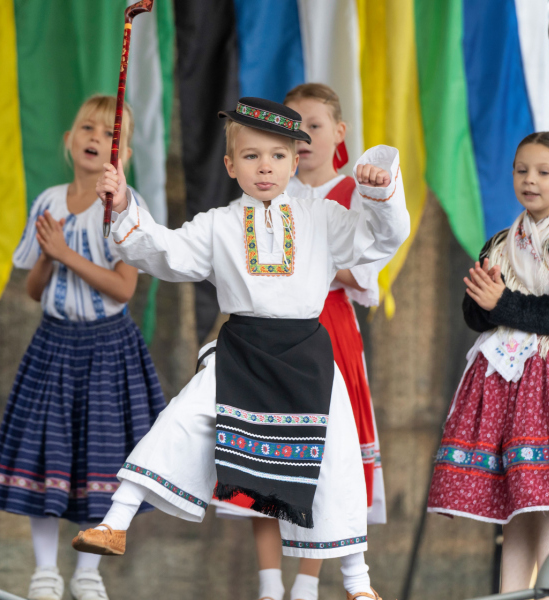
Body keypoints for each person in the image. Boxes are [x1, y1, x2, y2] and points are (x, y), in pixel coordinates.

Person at [72, 96, 410, 600]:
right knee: (180, 420)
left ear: (296, 161)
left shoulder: (322, 216)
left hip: (307, 355)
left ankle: (359, 584)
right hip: (241, 351)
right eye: (251, 156)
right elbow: (163, 251)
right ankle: (115, 522)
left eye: (277, 156)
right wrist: (122, 206)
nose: (266, 167)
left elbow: (381, 239)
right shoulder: (218, 224)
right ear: (231, 166)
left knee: (337, 457)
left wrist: (379, 191)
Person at [0, 95, 166, 600]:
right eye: (87, 127)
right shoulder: (47, 201)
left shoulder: (126, 208)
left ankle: (89, 574)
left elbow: (125, 288)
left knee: (102, 465)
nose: (94, 138)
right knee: (48, 458)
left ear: (123, 154)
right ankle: (45, 573)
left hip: (109, 351)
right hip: (53, 345)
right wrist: (49, 257)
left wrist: (66, 253)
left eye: (110, 134)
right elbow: (34, 288)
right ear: (68, 139)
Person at [212, 84, 387, 600]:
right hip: (265, 328)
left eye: (314, 125)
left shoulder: (347, 195)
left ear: (339, 132)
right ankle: (270, 584)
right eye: (295, 127)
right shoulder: (263, 195)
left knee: (319, 454)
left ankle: (306, 585)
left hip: (326, 329)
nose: (304, 136)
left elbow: (367, 274)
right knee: (264, 447)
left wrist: (315, 258)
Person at [427, 132, 549, 593]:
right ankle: (512, 592)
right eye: (521, 170)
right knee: (518, 494)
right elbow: (476, 314)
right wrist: (487, 299)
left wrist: (502, 300)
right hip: (505, 378)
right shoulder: (500, 241)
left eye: (543, 172)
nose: (529, 180)